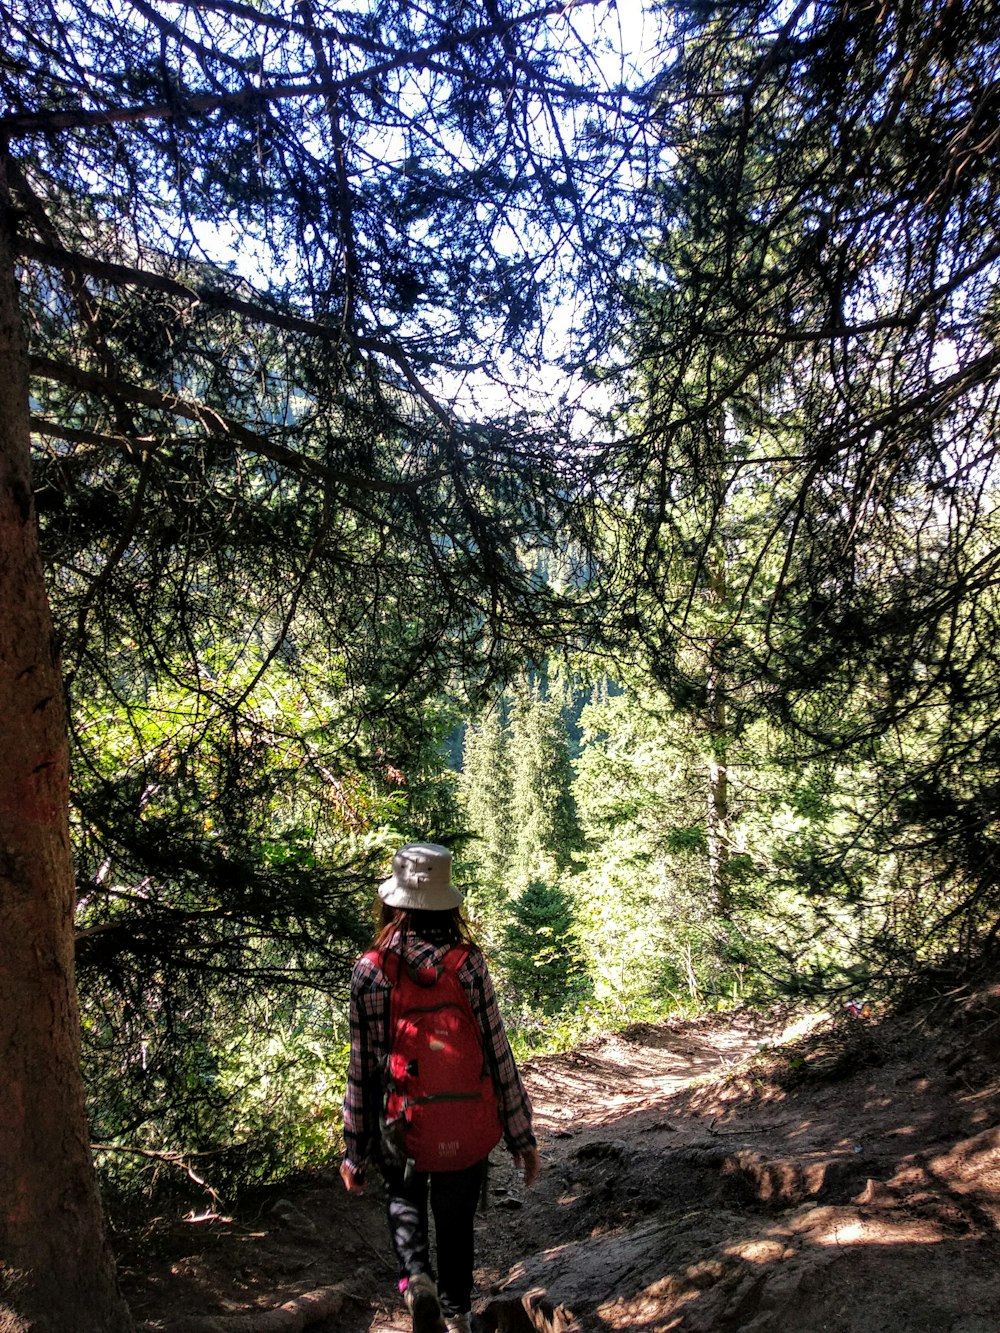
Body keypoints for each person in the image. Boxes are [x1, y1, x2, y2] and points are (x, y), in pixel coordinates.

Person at [341, 842, 540, 1333]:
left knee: (404, 1203)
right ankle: (457, 1315)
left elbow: (363, 1069)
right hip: (465, 1122)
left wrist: (354, 1151)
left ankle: (416, 1283)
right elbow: (497, 1054)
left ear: (392, 902)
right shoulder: (468, 965)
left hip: (399, 1125)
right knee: (456, 1223)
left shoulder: (371, 970)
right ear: (450, 905)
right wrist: (521, 1136)